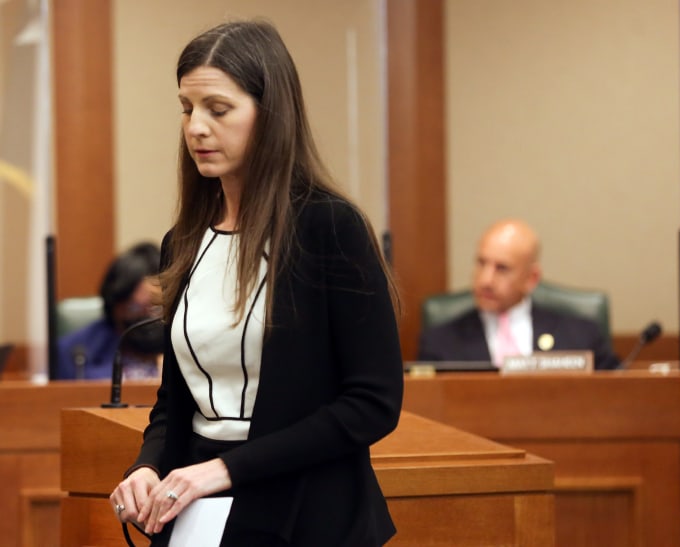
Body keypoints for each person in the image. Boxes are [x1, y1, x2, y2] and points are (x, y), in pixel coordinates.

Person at [109, 20, 404, 546]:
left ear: (270, 116)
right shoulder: (183, 241)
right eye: (187, 108)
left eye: (218, 110)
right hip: (195, 508)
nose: (196, 127)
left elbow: (372, 403)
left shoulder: (329, 227)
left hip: (306, 511)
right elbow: (175, 402)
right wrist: (147, 467)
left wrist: (226, 468)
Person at [417, 219, 620, 370]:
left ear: (531, 278)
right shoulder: (440, 342)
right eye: (481, 263)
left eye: (502, 268)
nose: (485, 280)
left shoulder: (581, 336)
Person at [57, 241, 163, 380]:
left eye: (157, 308)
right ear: (115, 305)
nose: (147, 316)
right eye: (134, 308)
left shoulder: (184, 345)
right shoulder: (73, 352)